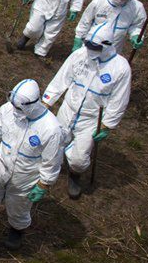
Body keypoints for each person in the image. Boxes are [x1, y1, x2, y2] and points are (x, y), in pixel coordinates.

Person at [0, 79, 63, 251]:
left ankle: (17, 230)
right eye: (14, 106)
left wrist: (44, 183)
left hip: (26, 173)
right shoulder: (8, 110)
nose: (15, 111)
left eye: (19, 108)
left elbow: (52, 160)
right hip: (1, 162)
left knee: (19, 203)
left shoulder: (51, 128)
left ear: (33, 104)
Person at [43, 22, 131, 198]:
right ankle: (48, 169)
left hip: (91, 118)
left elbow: (119, 100)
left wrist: (107, 125)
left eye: (94, 46)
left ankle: (75, 174)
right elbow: (62, 78)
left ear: (107, 46)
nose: (90, 49)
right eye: (88, 44)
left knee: (79, 159)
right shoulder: (80, 55)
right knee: (56, 141)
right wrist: (47, 101)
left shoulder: (120, 68)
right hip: (69, 108)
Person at [73, 0, 147, 54]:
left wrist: (136, 35)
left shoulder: (137, 7)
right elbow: (85, 20)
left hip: (114, 47)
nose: (119, 0)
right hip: (91, 44)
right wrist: (79, 37)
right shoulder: (99, 1)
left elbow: (137, 25)